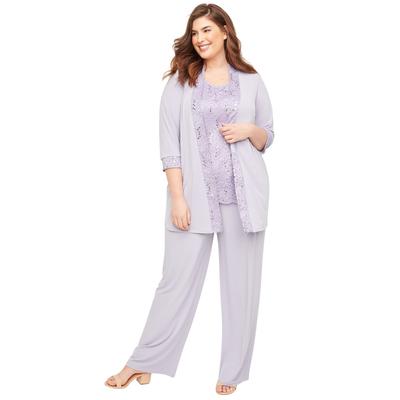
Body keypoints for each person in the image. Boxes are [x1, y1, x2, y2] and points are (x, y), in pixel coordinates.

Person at [104, 3, 274, 395]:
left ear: (225, 31)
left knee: (242, 287)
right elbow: (170, 148)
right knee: (174, 282)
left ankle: (232, 371)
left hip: (244, 199)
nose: (200, 38)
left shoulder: (251, 80)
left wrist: (248, 130)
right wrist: (178, 198)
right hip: (195, 199)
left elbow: (267, 134)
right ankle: (142, 361)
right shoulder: (180, 83)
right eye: (195, 33)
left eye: (207, 30)